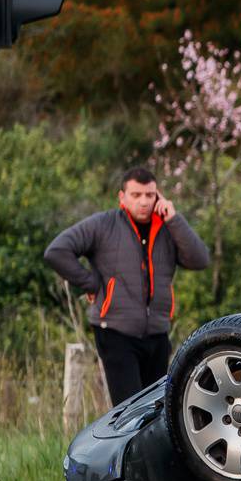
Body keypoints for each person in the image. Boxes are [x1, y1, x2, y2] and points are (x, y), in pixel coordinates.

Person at [44, 166, 211, 404]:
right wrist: (91, 284)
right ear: (122, 197)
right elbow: (57, 251)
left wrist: (174, 219)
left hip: (157, 333)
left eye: (150, 195)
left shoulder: (167, 228)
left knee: (157, 409)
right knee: (129, 410)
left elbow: (200, 259)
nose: (144, 202)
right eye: (136, 195)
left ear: (158, 196)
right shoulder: (103, 225)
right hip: (115, 331)